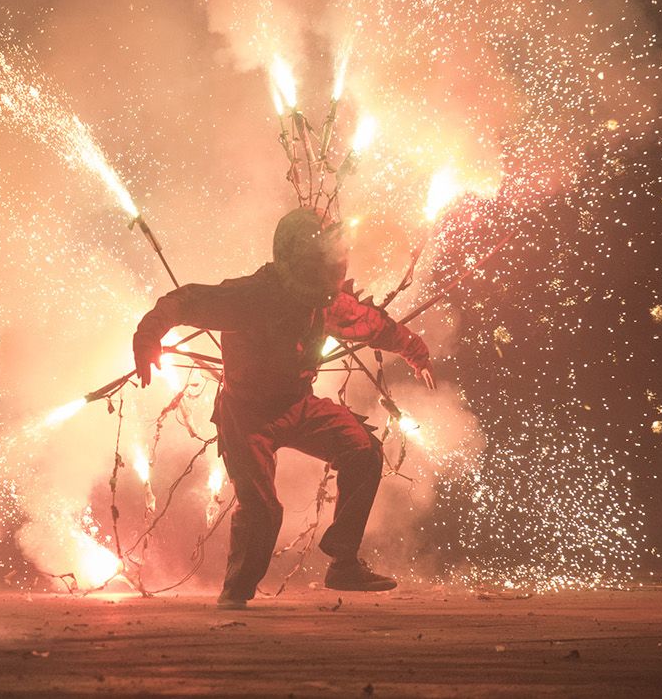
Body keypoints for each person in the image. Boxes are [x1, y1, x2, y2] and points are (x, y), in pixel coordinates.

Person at [132, 207, 435, 610]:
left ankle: (343, 562)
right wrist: (148, 334)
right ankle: (235, 595)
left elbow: (376, 326)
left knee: (362, 450)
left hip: (298, 405)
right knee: (262, 510)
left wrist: (417, 352)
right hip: (247, 416)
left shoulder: (326, 301)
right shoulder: (252, 296)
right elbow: (186, 300)